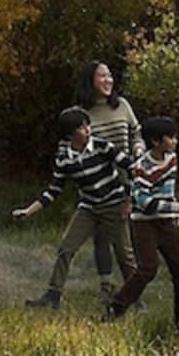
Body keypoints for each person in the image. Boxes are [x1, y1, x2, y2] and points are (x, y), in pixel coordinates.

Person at [14, 107, 135, 308]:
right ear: (71, 133)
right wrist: (28, 211)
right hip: (88, 208)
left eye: (87, 125)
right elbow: (53, 191)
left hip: (114, 205)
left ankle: (134, 297)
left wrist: (129, 199)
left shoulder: (102, 146)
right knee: (65, 248)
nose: (87, 129)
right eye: (82, 127)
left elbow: (131, 167)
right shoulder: (64, 158)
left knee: (125, 255)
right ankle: (53, 296)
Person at [105, 117, 179, 325]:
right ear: (156, 141)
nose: (175, 141)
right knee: (148, 268)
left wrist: (173, 216)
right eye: (170, 138)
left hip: (166, 223)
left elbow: (168, 189)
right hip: (144, 223)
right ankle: (116, 306)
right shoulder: (141, 167)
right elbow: (144, 202)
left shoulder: (172, 158)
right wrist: (178, 208)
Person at [71, 61, 142, 302]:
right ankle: (106, 286)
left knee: (126, 242)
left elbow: (136, 132)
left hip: (128, 178)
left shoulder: (122, 106)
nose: (108, 80)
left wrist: (138, 148)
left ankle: (133, 292)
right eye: (102, 76)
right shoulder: (81, 114)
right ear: (90, 81)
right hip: (99, 183)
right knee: (101, 234)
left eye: (110, 75)